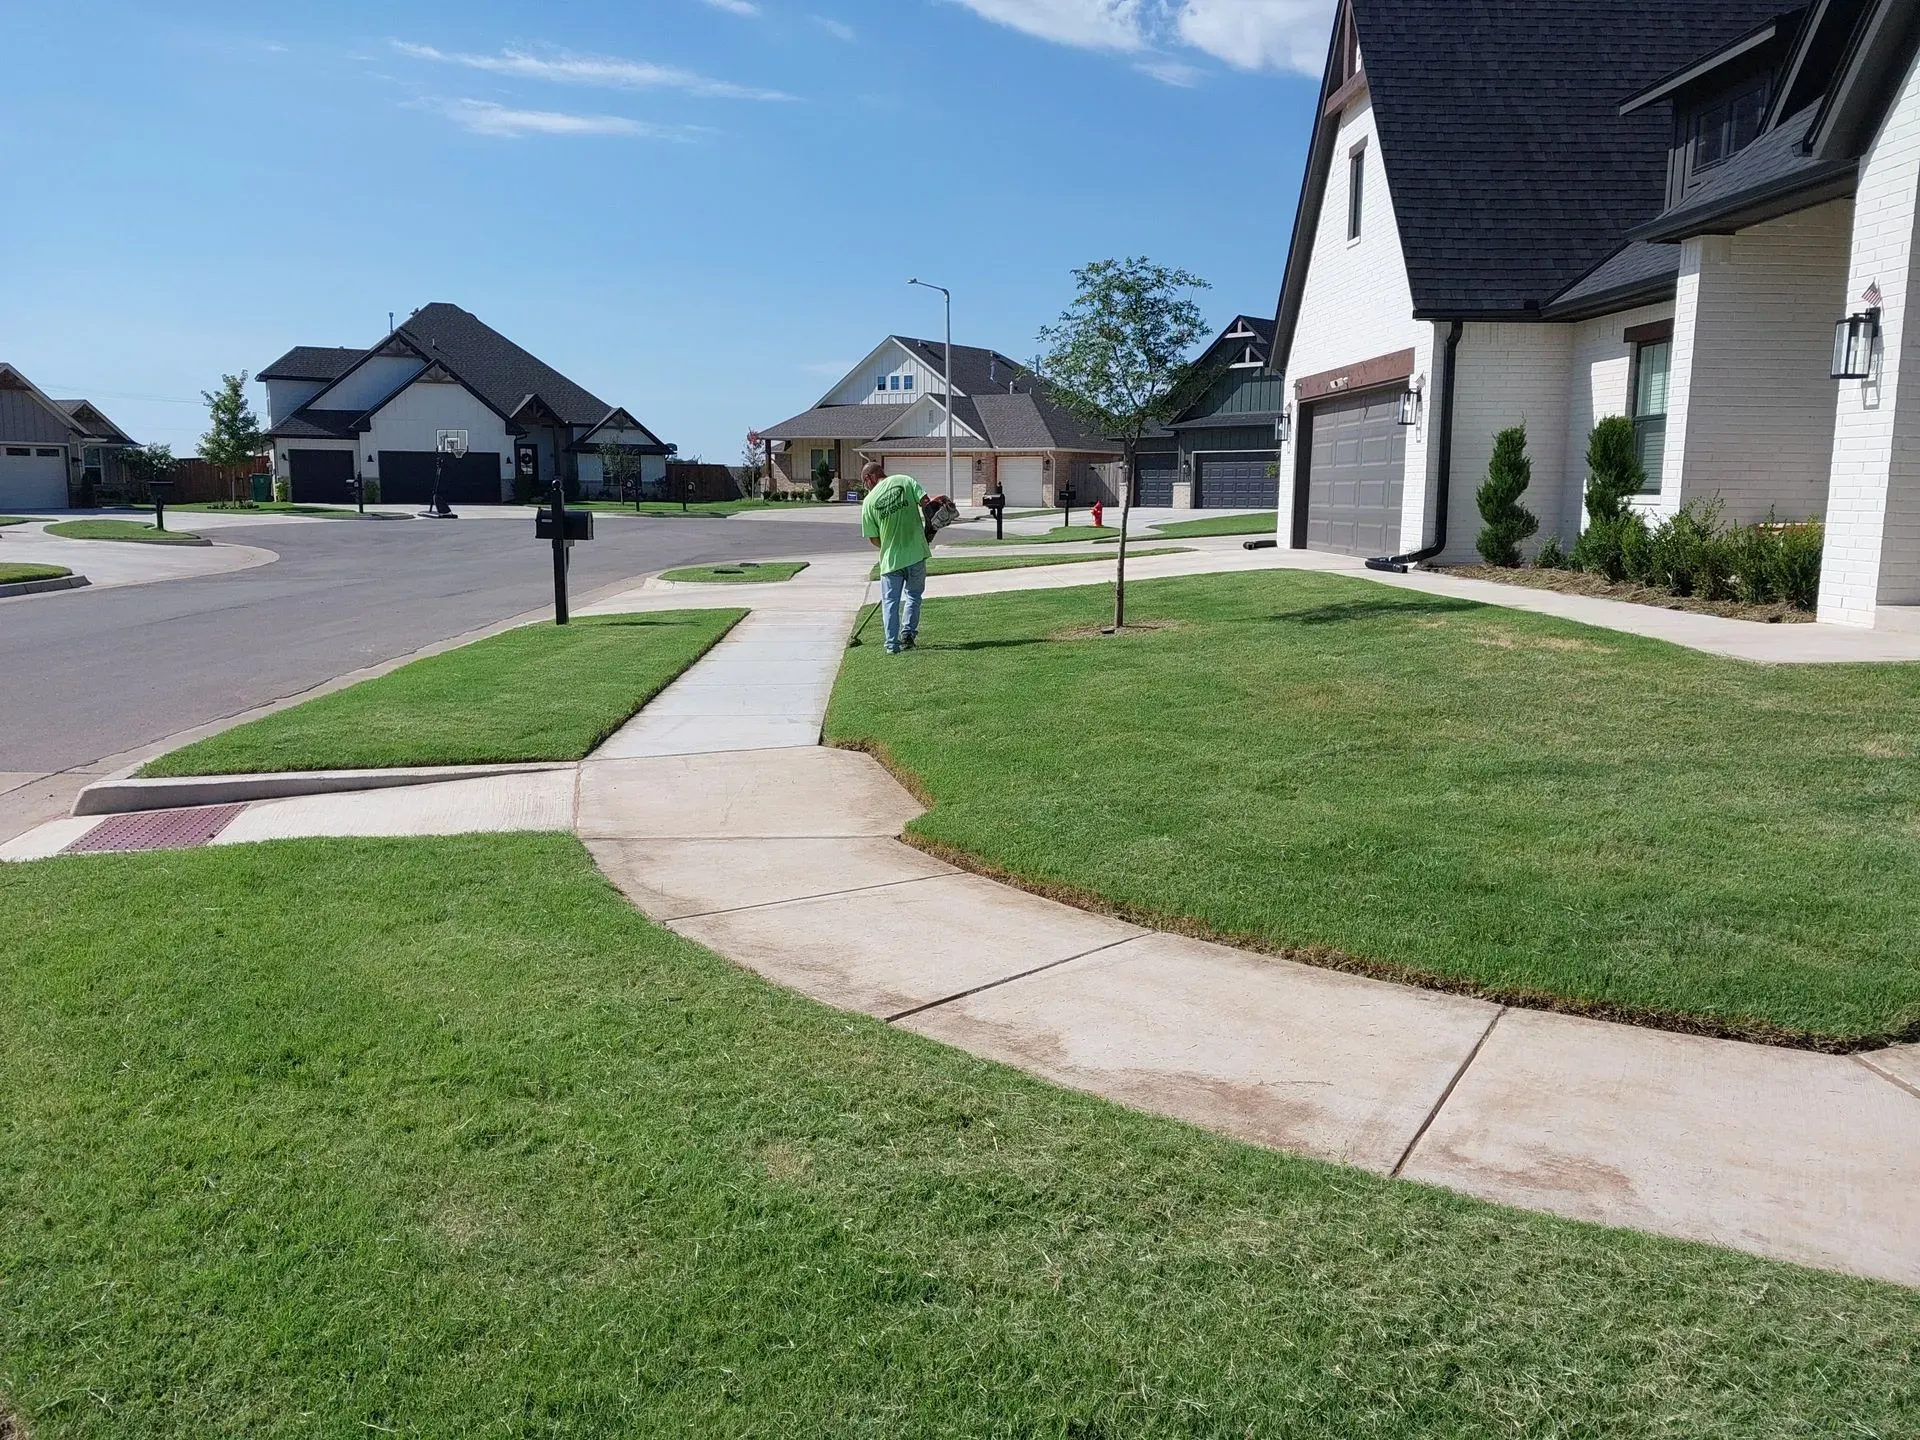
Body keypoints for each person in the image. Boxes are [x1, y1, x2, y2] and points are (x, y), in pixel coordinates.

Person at [859, 460, 933, 653]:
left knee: (890, 602)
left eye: (864, 483)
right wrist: (928, 529)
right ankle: (908, 634)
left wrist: (890, 544)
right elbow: (927, 504)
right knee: (914, 596)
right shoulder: (904, 480)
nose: (865, 487)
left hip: (891, 560)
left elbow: (874, 539)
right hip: (916, 552)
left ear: (870, 478)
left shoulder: (868, 502)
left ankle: (892, 644)